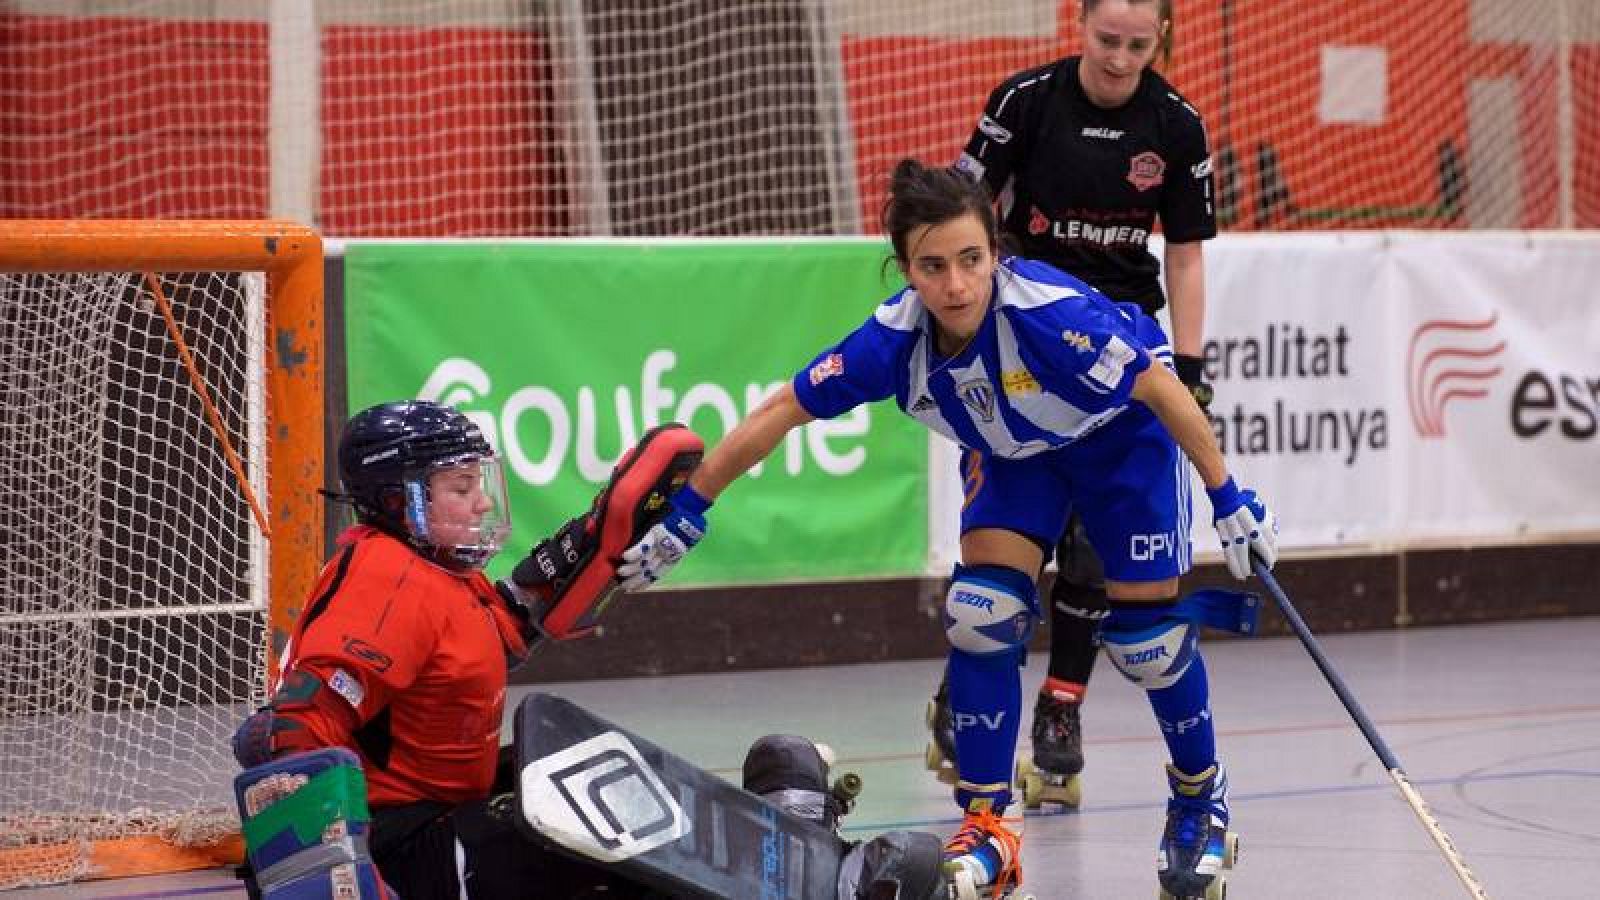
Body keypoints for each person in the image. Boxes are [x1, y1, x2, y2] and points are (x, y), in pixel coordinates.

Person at [617, 160, 1276, 899]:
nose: (957, 285)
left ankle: (1199, 797)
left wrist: (1229, 496)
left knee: (1146, 643)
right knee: (980, 613)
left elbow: (1161, 387)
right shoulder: (892, 341)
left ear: (996, 250)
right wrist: (689, 511)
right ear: (905, 269)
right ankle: (990, 824)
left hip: (1122, 442)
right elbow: (780, 412)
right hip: (1016, 457)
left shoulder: (1049, 317)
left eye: (972, 260)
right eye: (933, 267)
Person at [951, 0, 1219, 813]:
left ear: (1161, 40)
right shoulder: (1024, 101)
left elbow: (1185, 252)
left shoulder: (1176, 125)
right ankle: (966, 677)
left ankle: (1061, 704)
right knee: (1006, 557)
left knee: (1101, 549)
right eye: (1107, 40)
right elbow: (960, 209)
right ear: (1080, 26)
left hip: (1121, 346)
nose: (1119, 58)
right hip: (1026, 337)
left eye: (1139, 45)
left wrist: (1194, 363)